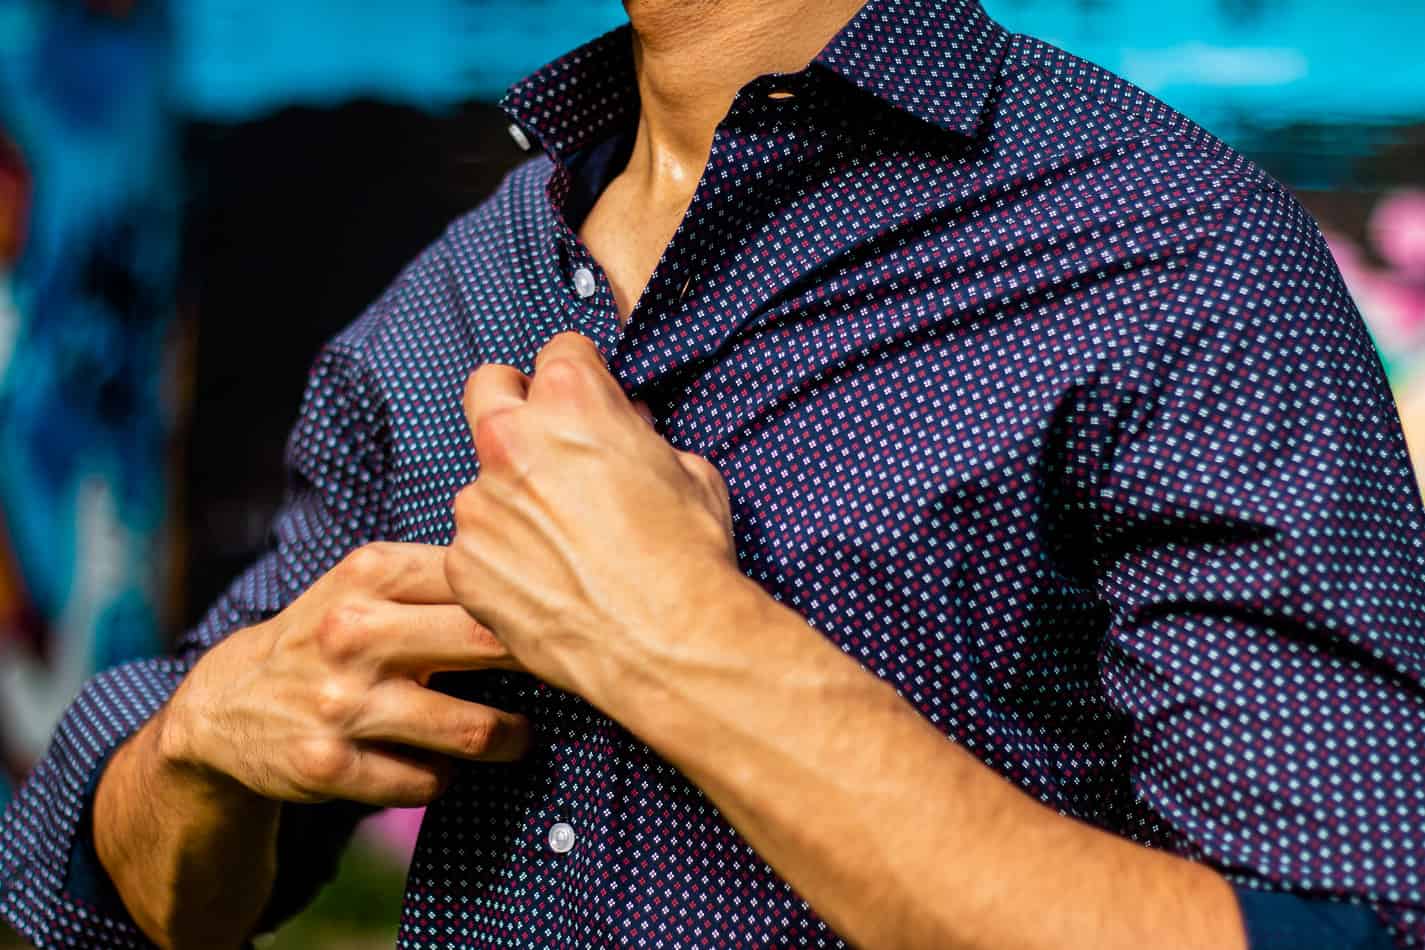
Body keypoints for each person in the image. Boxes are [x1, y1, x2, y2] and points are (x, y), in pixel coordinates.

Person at [3, 0, 1423, 946]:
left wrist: (684, 640)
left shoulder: (1177, 259)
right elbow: (140, 893)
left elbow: (1342, 921)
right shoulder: (448, 304)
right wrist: (199, 743)